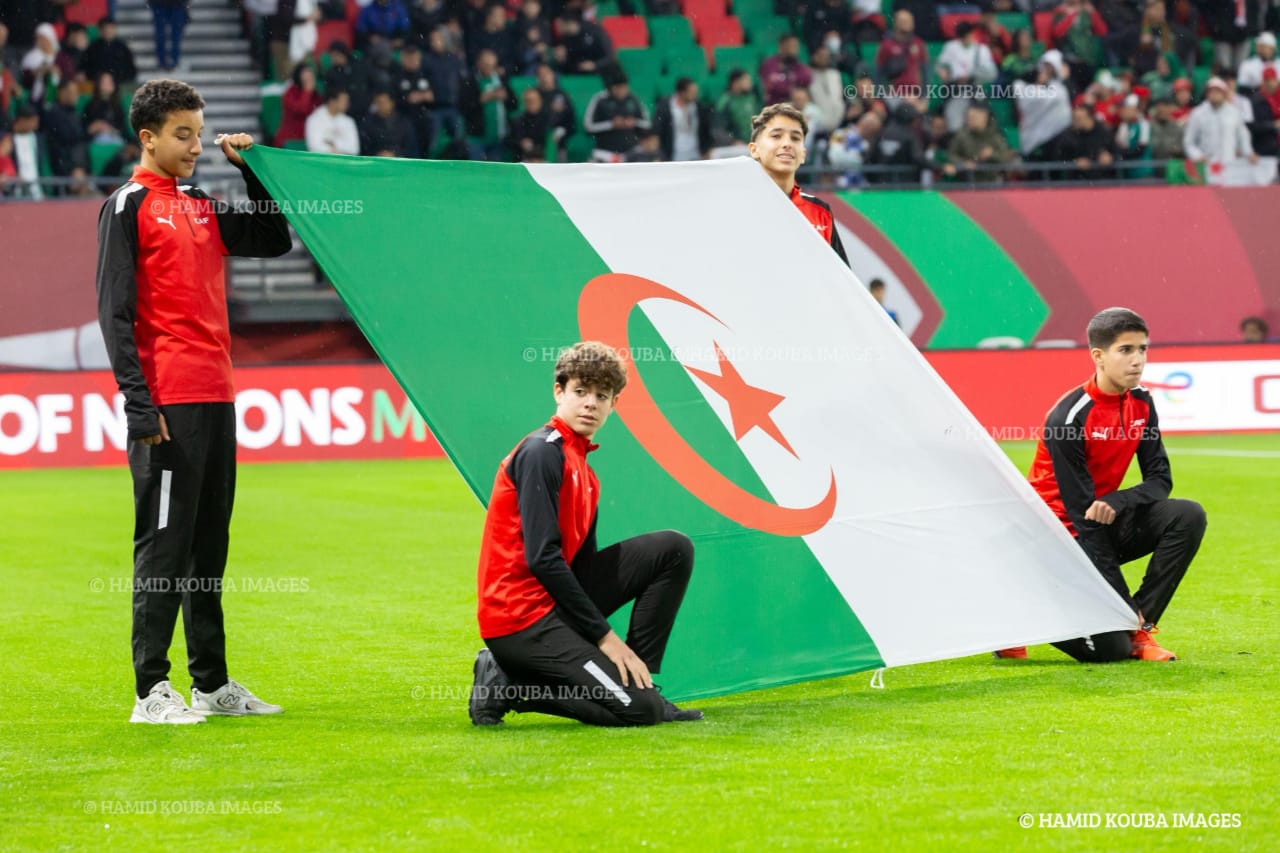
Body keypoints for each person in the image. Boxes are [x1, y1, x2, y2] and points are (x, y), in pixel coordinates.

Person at [96, 79, 293, 724]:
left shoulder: (202, 204)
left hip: (216, 392)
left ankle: (211, 683)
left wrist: (252, 172)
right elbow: (115, 314)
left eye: (200, 134)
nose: (196, 146)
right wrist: (138, 405)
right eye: (184, 135)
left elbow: (273, 241)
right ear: (148, 137)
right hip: (167, 401)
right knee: (164, 543)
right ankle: (150, 690)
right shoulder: (127, 205)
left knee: (209, 547)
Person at [468, 342, 701, 727]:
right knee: (640, 712)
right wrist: (607, 638)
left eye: (602, 396)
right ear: (559, 392)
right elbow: (543, 557)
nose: (590, 403)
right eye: (580, 392)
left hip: (552, 608)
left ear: (613, 405)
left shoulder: (586, 471)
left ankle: (642, 679)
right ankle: (512, 684)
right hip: (520, 621)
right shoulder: (542, 452)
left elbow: (582, 568)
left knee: (673, 549)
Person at [997, 308, 1206, 663]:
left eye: (1143, 349)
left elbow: (1160, 479)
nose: (1138, 360)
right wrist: (1120, 603)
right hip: (1057, 539)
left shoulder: (1142, 403)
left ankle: (1142, 629)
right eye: (1126, 350)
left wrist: (1120, 500)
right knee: (1110, 651)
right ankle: (1017, 620)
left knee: (1187, 515)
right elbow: (1082, 519)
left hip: (1098, 522)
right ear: (1098, 356)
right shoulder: (1068, 418)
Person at [748, 102, 848, 265]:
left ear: (803, 154)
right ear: (754, 149)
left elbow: (841, 284)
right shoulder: (737, 206)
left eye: (795, 138)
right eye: (776, 136)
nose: (787, 144)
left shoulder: (820, 212)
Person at [306, 87, 361, 154]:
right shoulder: (314, 119)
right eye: (343, 100)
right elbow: (314, 147)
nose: (347, 104)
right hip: (321, 162)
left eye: (347, 100)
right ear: (332, 101)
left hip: (343, 162)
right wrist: (339, 150)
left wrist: (333, 143)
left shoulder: (349, 121)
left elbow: (354, 149)